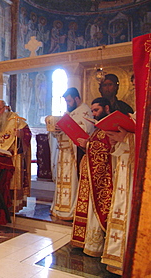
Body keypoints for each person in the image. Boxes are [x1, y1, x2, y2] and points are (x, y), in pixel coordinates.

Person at [71, 97, 113, 257]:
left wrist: (87, 145)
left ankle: (94, 244)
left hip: (99, 179)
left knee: (94, 210)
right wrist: (87, 143)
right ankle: (83, 241)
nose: (94, 114)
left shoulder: (109, 128)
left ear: (106, 108)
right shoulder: (98, 129)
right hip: (89, 176)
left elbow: (104, 151)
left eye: (96, 110)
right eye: (93, 110)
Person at [50, 88, 94, 220]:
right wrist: (56, 129)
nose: (67, 104)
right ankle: (58, 207)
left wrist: (67, 127)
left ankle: (72, 209)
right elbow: (59, 133)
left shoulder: (85, 111)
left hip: (75, 154)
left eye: (69, 101)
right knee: (61, 182)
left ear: (76, 99)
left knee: (73, 182)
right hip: (64, 153)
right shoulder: (70, 112)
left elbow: (85, 131)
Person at [101, 120, 135, 275]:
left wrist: (127, 138)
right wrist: (115, 140)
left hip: (135, 174)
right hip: (123, 169)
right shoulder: (136, 117)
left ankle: (130, 259)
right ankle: (117, 257)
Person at [0, 99, 32, 212]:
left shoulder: (16, 120)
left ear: (6, 108)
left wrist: (21, 135)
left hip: (12, 157)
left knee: (11, 183)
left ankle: (11, 206)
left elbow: (28, 135)